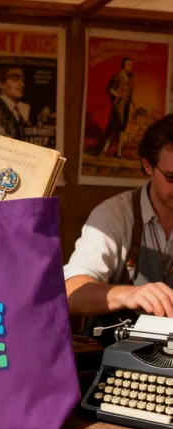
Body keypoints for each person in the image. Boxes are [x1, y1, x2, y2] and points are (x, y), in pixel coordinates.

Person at [65, 115, 173, 343]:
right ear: (148, 166)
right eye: (171, 177)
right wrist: (128, 294)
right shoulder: (114, 215)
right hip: (116, 350)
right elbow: (71, 292)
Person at [95, 57, 135, 158]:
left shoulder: (130, 79)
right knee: (113, 127)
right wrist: (118, 96)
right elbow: (109, 88)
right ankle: (104, 150)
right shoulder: (117, 76)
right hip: (118, 105)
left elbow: (130, 94)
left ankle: (119, 152)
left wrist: (132, 104)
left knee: (122, 129)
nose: (130, 67)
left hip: (126, 106)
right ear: (123, 65)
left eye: (131, 65)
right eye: (128, 64)